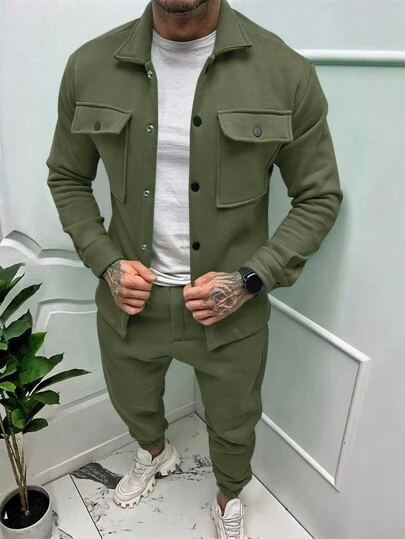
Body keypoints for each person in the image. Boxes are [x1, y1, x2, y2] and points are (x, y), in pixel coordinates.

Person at [46, 0, 343, 536]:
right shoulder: (88, 67)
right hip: (129, 302)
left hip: (231, 306)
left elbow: (318, 197)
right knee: (132, 400)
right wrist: (106, 263)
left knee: (234, 421)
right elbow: (67, 176)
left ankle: (228, 497)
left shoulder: (285, 73)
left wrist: (250, 279)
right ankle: (155, 453)